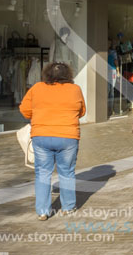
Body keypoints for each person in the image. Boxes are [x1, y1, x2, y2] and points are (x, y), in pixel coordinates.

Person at [20, 62, 86, 220]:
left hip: (41, 135)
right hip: (68, 136)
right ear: (68, 75)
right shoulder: (75, 89)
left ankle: (43, 211)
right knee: (67, 172)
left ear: (47, 74)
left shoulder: (37, 88)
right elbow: (82, 111)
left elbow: (25, 110)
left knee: (42, 173)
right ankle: (68, 207)